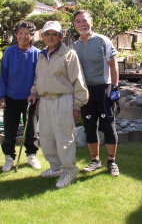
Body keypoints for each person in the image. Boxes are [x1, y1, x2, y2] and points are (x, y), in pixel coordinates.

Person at [28, 21, 88, 189]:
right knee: (46, 138)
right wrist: (34, 92)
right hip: (45, 101)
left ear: (61, 36)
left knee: (64, 138)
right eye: (47, 34)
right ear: (42, 36)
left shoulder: (69, 54)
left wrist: (77, 105)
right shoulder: (41, 55)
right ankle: (56, 167)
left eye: (55, 34)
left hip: (64, 100)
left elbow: (78, 81)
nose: (51, 37)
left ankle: (70, 171)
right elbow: (38, 78)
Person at [72, 10, 120, 176]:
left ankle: (112, 162)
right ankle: (95, 161)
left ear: (91, 21)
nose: (82, 24)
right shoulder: (75, 46)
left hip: (104, 89)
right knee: (89, 127)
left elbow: (113, 65)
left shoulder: (102, 41)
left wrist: (114, 87)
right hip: (86, 92)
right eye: (78, 21)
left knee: (108, 126)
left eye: (84, 20)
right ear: (74, 25)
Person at [0, 22, 41, 172]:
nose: (23, 36)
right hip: (11, 97)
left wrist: (36, 94)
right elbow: (3, 74)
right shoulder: (9, 52)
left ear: (32, 35)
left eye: (27, 33)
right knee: (10, 130)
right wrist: (1, 96)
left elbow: (39, 77)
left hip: (30, 98)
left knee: (31, 130)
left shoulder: (37, 53)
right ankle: (9, 157)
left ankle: (31, 155)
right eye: (20, 33)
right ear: (16, 35)